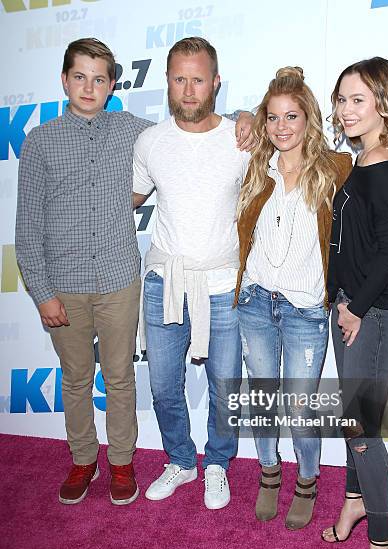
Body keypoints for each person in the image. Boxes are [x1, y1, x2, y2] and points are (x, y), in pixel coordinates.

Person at [15, 37, 253, 507]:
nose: (188, 89)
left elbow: (224, 126)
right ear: (64, 81)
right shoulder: (66, 140)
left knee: (173, 382)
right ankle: (130, 460)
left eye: (99, 78)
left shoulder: (168, 133)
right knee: (114, 382)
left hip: (171, 282)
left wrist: (249, 112)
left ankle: (176, 465)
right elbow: (34, 225)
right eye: (79, 77)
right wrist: (44, 286)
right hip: (110, 282)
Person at [132, 37, 251, 510]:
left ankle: (217, 464)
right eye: (179, 78)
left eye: (198, 79)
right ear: (166, 81)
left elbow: (291, 132)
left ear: (216, 82)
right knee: (163, 386)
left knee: (226, 386)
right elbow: (128, 201)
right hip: (165, 283)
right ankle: (181, 461)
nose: (188, 89)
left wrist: (250, 113)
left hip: (224, 285)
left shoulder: (243, 138)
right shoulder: (150, 141)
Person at [233, 67, 352, 530]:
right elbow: (205, 118)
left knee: (300, 409)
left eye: (292, 116)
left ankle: (306, 480)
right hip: (256, 302)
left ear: (308, 120)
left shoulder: (336, 169)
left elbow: (376, 211)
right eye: (273, 117)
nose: (282, 127)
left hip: (305, 310)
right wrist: (243, 112)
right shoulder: (254, 169)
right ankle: (268, 474)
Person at [321, 57, 388, 549]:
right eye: (341, 99)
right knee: (356, 422)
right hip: (355, 309)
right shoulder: (362, 161)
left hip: (377, 315)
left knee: (360, 428)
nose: (346, 109)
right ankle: (355, 501)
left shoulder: (385, 163)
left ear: (383, 102)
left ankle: (383, 545)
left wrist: (355, 306)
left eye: (358, 99)